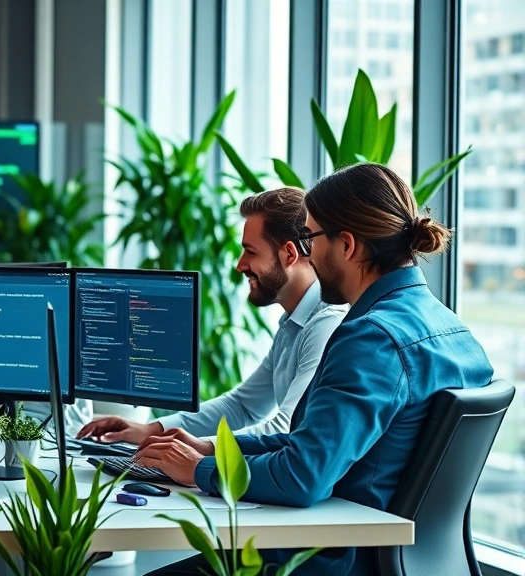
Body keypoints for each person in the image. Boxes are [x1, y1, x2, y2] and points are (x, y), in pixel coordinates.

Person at [139, 163, 494, 576]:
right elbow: (310, 445)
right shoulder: (455, 333)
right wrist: (214, 449)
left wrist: (199, 470)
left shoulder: (372, 339)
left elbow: (302, 477)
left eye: (310, 237)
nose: (306, 252)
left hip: (329, 561)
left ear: (347, 245)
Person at [77, 187, 347, 445]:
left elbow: (285, 428)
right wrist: (151, 430)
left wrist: (194, 448)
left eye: (250, 252)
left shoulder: (325, 324)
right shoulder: (293, 323)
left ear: (289, 253)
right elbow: (242, 406)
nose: (239, 265)